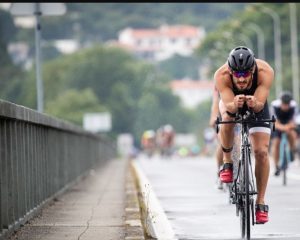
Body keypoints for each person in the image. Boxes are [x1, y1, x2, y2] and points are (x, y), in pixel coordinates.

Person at [214, 46, 274, 224]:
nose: (241, 79)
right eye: (237, 75)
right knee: (226, 117)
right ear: (230, 71)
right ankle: (227, 162)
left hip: (257, 101)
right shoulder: (221, 75)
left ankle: (261, 203)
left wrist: (254, 103)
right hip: (231, 101)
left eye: (245, 75)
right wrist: (234, 104)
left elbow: (260, 105)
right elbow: (229, 105)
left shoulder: (265, 71)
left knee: (261, 152)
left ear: (253, 70)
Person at [270, 91, 298, 176]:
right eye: (284, 104)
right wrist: (283, 127)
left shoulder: (293, 106)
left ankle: (292, 150)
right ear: (281, 102)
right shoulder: (274, 106)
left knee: (292, 134)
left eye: (287, 104)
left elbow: (293, 121)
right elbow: (274, 122)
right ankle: (276, 165)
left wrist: (288, 127)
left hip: (288, 123)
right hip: (278, 123)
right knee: (276, 143)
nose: (285, 106)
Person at [209, 86, 224, 189]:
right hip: (223, 117)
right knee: (222, 142)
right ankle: (220, 171)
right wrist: (214, 118)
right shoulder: (218, 96)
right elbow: (215, 104)